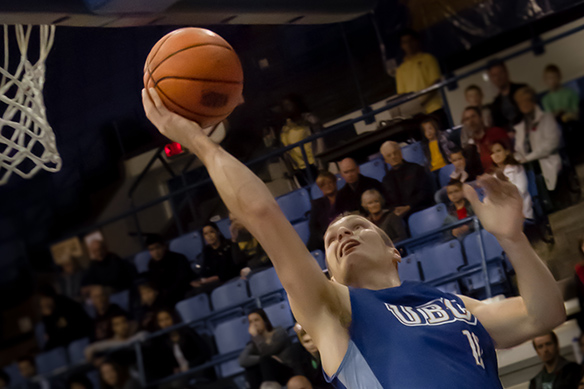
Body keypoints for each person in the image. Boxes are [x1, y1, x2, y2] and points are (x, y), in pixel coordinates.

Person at [143, 86, 565, 388]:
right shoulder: (332, 311)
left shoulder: (452, 303)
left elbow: (544, 316)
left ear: (394, 250)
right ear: (326, 271)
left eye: (359, 226)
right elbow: (262, 214)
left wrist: (513, 240)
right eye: (331, 237)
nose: (343, 231)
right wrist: (200, 143)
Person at [513, 86, 563, 192]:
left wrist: (528, 158)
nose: (524, 104)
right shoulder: (520, 126)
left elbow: (551, 144)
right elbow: (518, 148)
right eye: (520, 102)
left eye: (526, 100)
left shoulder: (547, 118)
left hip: (546, 161)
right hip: (528, 167)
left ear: (533, 100)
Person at [147, 309, 213, 380]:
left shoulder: (187, 332)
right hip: (179, 376)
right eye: (161, 320)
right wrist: (175, 370)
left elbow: (205, 352)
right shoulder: (161, 342)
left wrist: (189, 366)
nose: (165, 323)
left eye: (167, 318)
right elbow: (162, 365)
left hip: (198, 369)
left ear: (173, 318)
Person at [395, 29, 445, 125]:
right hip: (415, 116)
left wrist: (419, 103)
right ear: (402, 46)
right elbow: (401, 95)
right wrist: (413, 108)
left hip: (434, 108)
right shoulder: (400, 70)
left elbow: (436, 83)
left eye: (410, 40)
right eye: (405, 42)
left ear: (416, 41)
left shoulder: (428, 58)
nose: (408, 44)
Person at [238, 309, 295, 389]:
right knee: (251, 367)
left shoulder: (279, 333)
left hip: (287, 371)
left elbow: (268, 351)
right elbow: (242, 360)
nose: (254, 324)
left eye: (256, 320)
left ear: (265, 320)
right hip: (268, 375)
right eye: (251, 322)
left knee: (265, 360)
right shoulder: (255, 341)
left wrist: (256, 337)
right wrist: (261, 358)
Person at [379, 141, 434, 219]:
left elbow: (426, 193)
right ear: (385, 160)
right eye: (389, 155)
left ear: (400, 153)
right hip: (400, 217)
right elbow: (388, 203)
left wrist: (409, 207)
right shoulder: (386, 180)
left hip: (420, 209)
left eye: (395, 153)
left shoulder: (416, 169)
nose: (393, 157)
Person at [279, 95, 321, 187]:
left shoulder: (308, 119)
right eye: (284, 106)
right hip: (297, 167)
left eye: (288, 104)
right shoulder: (286, 127)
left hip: (312, 163)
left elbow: (317, 130)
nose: (287, 108)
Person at [38, 284, 93, 350]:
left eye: (43, 299)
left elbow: (72, 330)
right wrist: (47, 318)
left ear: (49, 297)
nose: (42, 303)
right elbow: (51, 336)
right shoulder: (48, 313)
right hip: (65, 342)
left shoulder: (66, 305)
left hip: (81, 337)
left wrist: (48, 319)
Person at [146, 234, 196, 305]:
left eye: (157, 248)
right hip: (166, 300)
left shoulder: (178, 258)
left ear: (164, 246)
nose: (155, 252)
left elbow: (183, 280)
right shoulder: (151, 265)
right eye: (151, 250)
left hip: (183, 294)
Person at [489, 140, 533, 219]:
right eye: (492, 153)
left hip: (522, 210)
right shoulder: (493, 177)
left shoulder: (517, 168)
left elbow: (521, 190)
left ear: (507, 152)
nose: (495, 155)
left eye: (498, 151)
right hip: (505, 215)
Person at [191, 222, 239, 294]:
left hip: (228, 279)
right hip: (213, 282)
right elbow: (205, 270)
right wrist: (199, 281)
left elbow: (230, 270)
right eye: (206, 234)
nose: (209, 236)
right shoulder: (207, 250)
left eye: (211, 232)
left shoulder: (229, 245)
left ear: (218, 232)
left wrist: (210, 280)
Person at [461, 106, 510, 171]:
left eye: (473, 116)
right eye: (467, 119)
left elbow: (510, 154)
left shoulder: (496, 132)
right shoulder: (471, 145)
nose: (471, 121)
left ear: (481, 118)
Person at [289, 323, 333, 389]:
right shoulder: (298, 353)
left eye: (314, 340)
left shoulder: (329, 353)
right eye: (307, 341)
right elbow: (301, 377)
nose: (312, 344)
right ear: (302, 343)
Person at [487, 59, 527, 131]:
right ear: (491, 79)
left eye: (500, 73)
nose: (498, 77)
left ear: (506, 72)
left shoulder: (522, 89)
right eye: (494, 75)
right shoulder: (495, 105)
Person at [307, 171, 342, 251]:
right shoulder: (317, 204)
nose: (327, 186)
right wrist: (325, 237)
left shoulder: (345, 197)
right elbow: (313, 226)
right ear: (320, 188)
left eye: (329, 182)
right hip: (325, 239)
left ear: (335, 182)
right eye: (323, 185)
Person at [230, 213, 271, 279]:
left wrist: (250, 267)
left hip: (267, 265)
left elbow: (267, 255)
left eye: (236, 219)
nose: (234, 224)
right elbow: (238, 261)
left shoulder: (259, 230)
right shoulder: (238, 236)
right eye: (231, 221)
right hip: (252, 269)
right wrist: (234, 239)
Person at [419, 116, 455, 182]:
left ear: (435, 128)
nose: (428, 132)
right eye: (425, 130)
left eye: (430, 128)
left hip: (445, 165)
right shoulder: (425, 146)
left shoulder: (442, 138)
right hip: (433, 170)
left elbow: (450, 149)